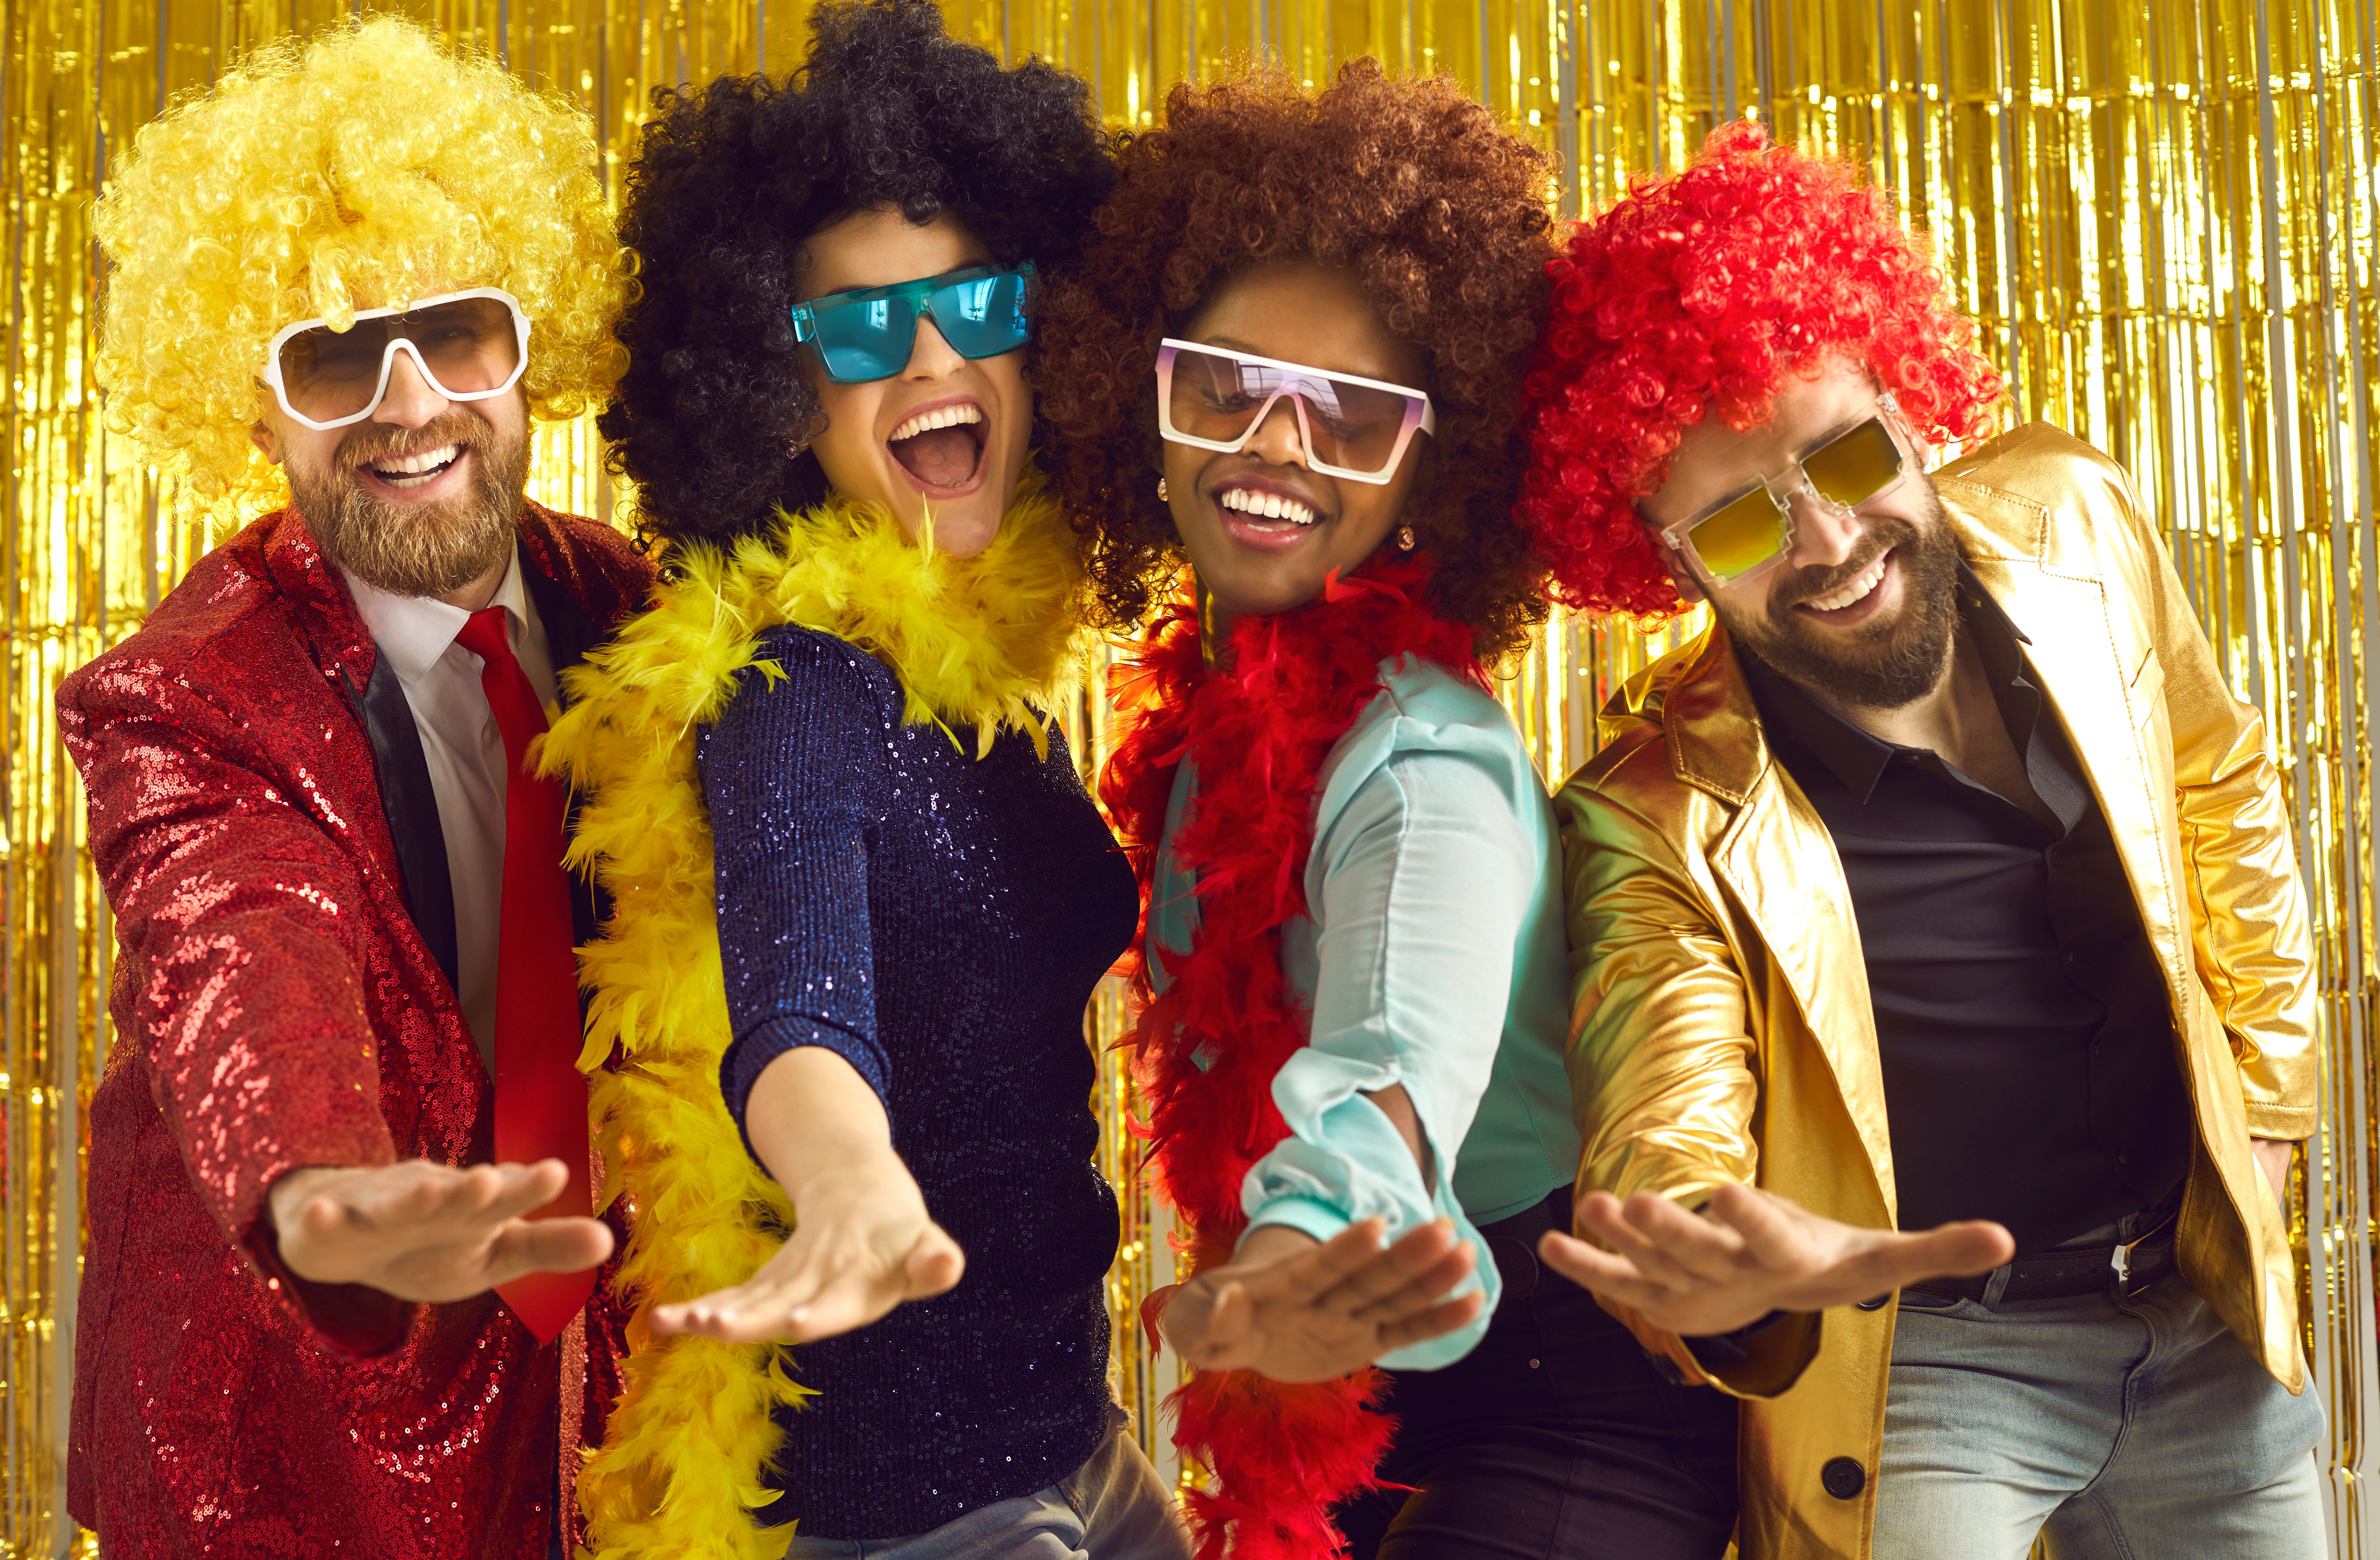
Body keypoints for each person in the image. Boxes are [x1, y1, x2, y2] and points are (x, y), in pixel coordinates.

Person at [1520, 123, 2323, 1560]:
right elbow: (1664, 1105)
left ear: (1905, 402)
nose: (1829, 542)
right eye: (1742, 525)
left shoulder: (2080, 525)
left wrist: (2264, 1118)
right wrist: (1711, 1260)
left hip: (2204, 1312)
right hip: (1929, 1369)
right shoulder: (1651, 812)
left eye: (1844, 454)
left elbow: (2217, 781)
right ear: (1665, 560)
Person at [1036, 61, 1743, 1560]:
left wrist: (1302, 1252)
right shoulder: (1210, 727)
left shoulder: (1425, 770)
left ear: (1436, 466)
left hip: (1565, 1410)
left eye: (1351, 416)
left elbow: (1391, 1069)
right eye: (1226, 385)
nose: (1276, 445)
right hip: (1357, 1406)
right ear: (1143, 406)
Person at [539, 6, 1188, 1556]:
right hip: (925, 1514)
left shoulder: (979, 668)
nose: (935, 357)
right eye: (861, 331)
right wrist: (849, 1184)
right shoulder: (800, 692)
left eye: (976, 302)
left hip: (1080, 1449)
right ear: (779, 398)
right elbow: (798, 990)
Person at [57, 18, 649, 1559]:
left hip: (598, 1439)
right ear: (252, 409)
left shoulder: (638, 611)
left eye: (456, 334)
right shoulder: (187, 695)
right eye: (332, 357)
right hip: (289, 1466)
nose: (409, 407)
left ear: (530, 355)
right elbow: (241, 937)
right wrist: (317, 1189)